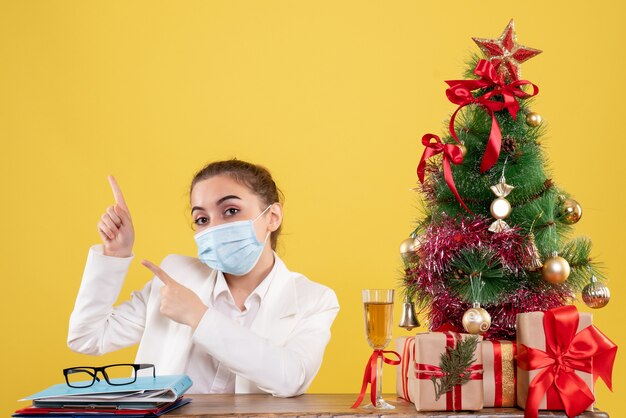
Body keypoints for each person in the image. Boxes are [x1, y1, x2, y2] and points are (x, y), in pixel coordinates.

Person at [67, 160, 340, 396]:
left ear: (272, 216)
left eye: (231, 211)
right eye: (202, 219)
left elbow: (291, 379)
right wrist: (114, 253)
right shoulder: (175, 276)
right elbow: (88, 337)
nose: (214, 227)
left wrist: (199, 317)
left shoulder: (315, 299)